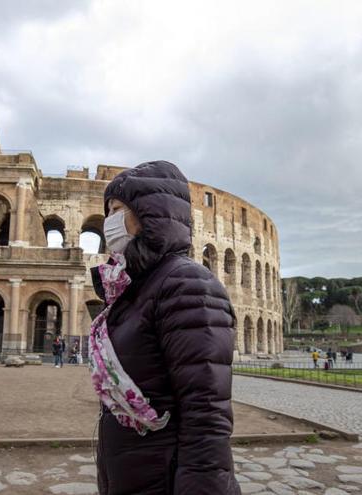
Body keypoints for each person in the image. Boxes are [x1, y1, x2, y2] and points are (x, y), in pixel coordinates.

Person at [91, 161, 239, 494]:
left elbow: (206, 414)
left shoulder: (187, 284)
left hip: (166, 478)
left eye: (116, 210)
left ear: (149, 213)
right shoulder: (133, 288)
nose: (108, 223)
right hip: (139, 474)